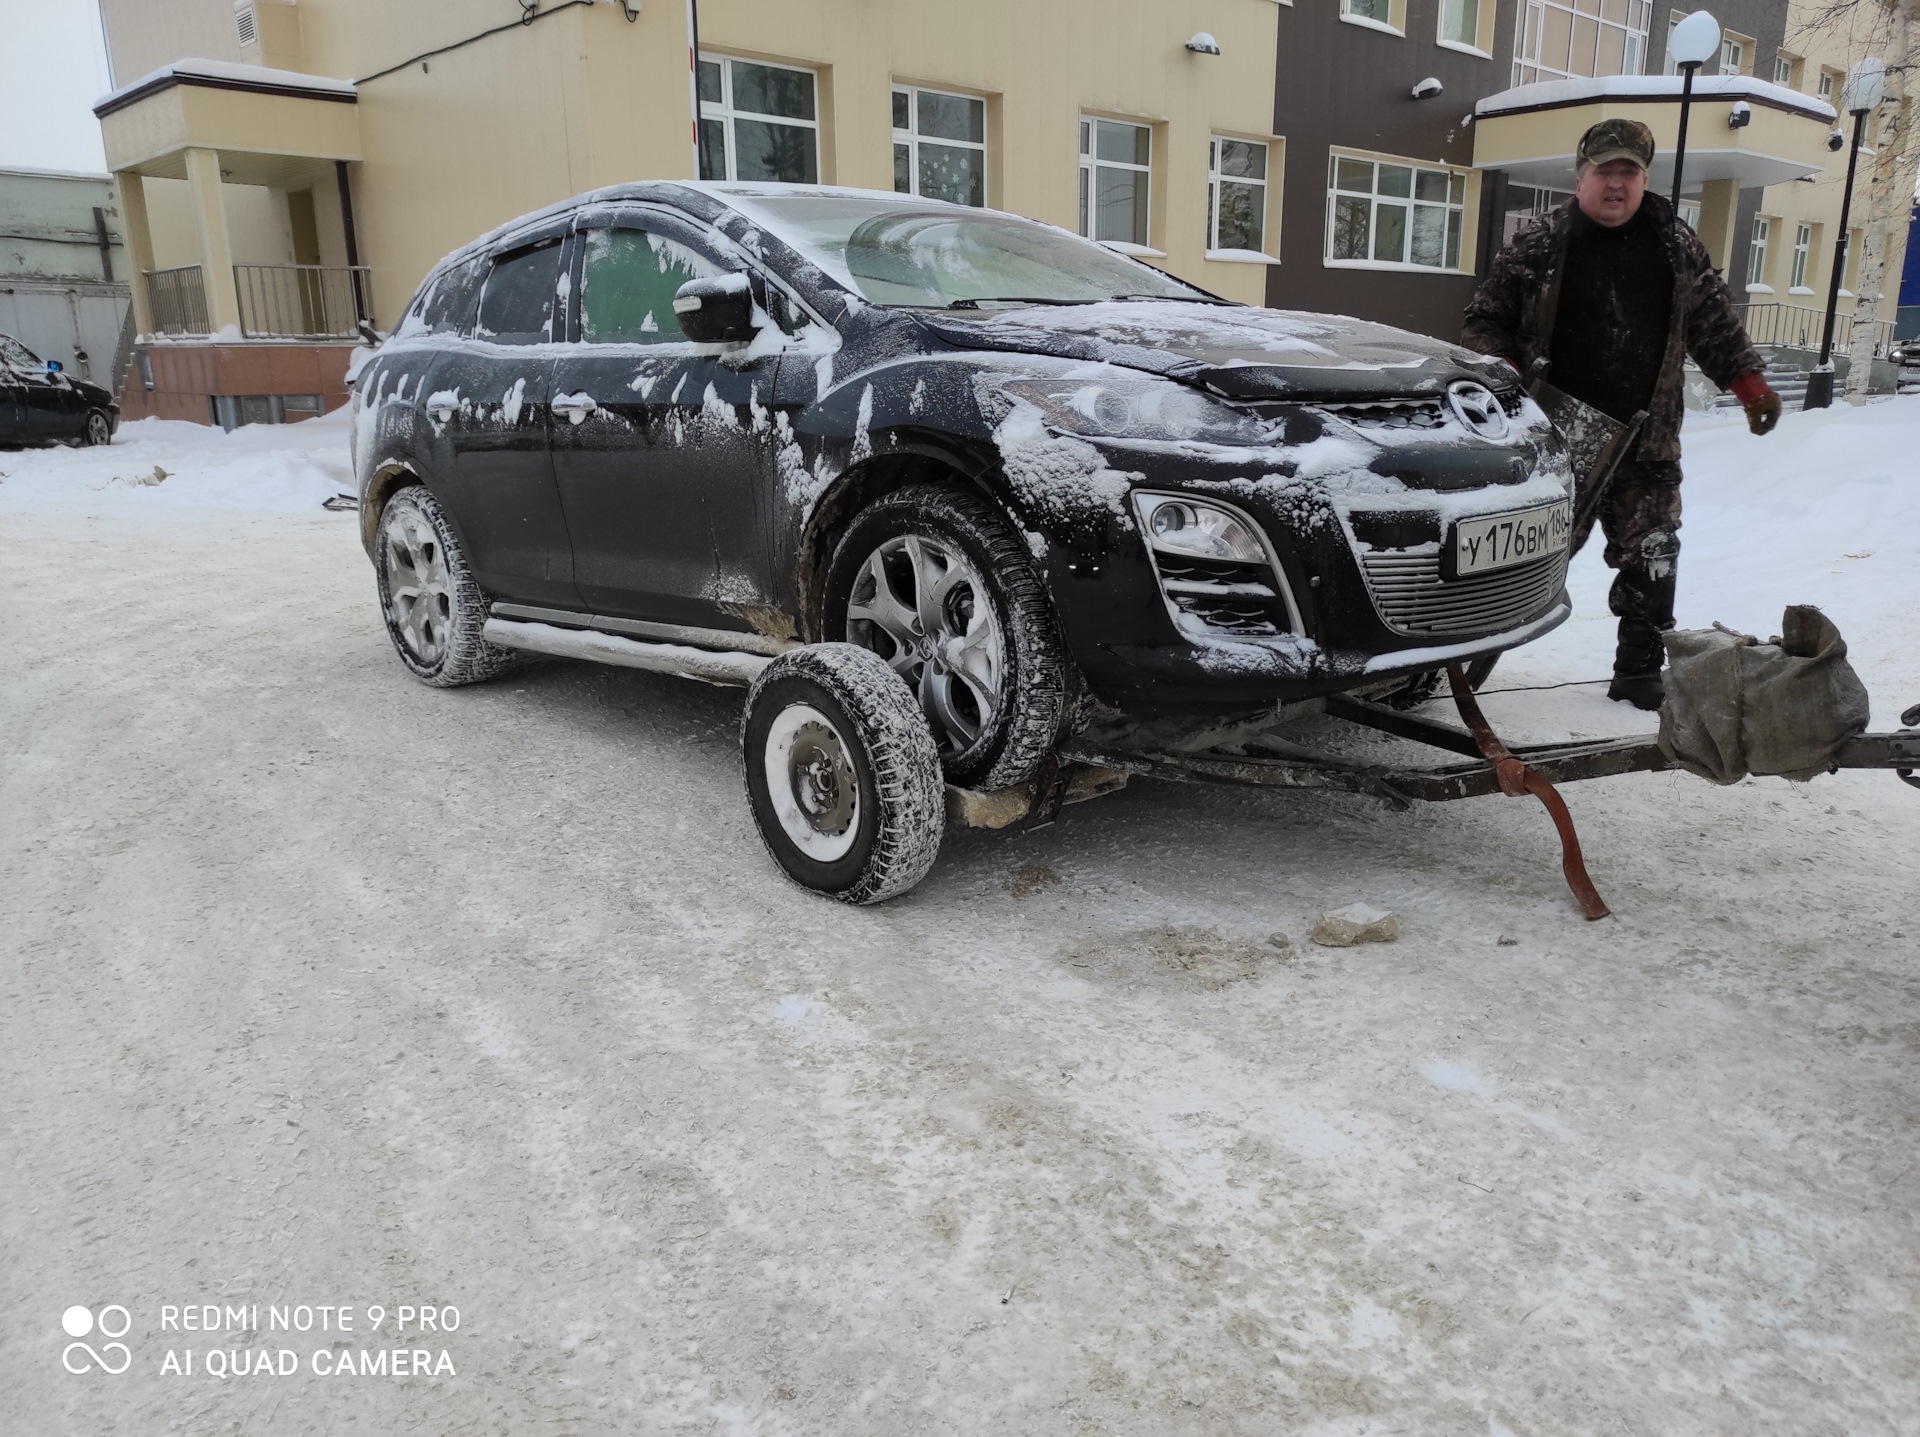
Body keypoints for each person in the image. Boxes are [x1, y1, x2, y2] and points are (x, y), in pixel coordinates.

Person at [1462, 118, 1781, 710]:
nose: (1616, 185)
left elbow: (1713, 322)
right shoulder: (1541, 243)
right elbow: (1485, 319)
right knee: (1522, 561)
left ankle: (1639, 671)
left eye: (1628, 173)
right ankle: (1458, 670)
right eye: (1604, 171)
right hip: (1558, 435)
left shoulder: (1674, 242)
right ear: (1581, 174)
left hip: (1647, 435)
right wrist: (1503, 374)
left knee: (1654, 555)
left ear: (1644, 179)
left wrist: (1750, 385)